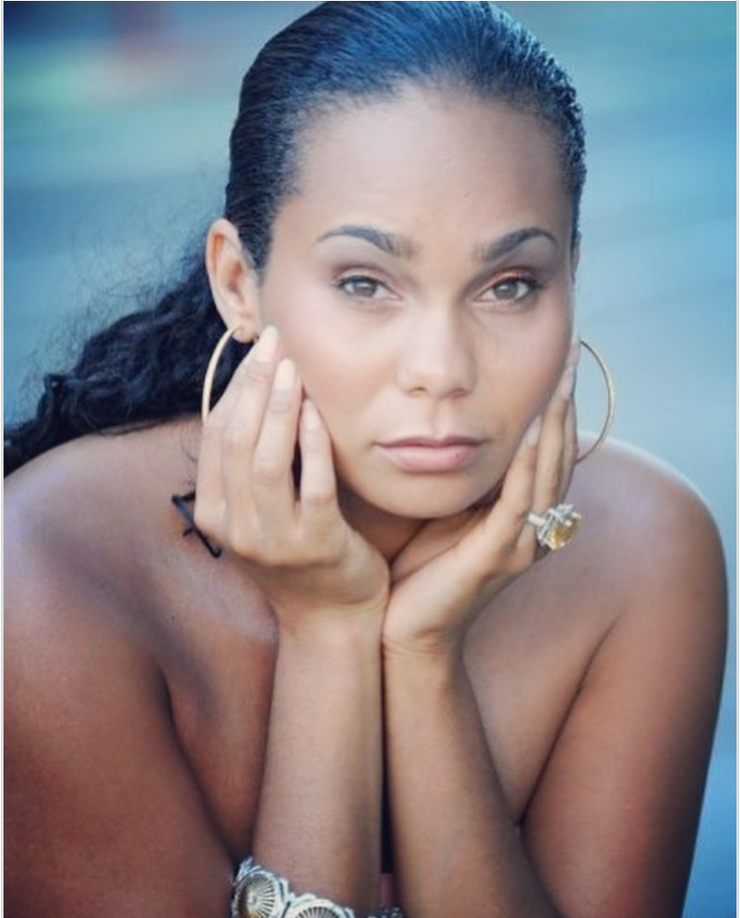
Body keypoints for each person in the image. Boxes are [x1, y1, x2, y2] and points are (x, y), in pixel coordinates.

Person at [4, 3, 727, 917]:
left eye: (509, 286)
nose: (442, 369)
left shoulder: (645, 549)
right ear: (239, 282)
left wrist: (423, 656)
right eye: (364, 283)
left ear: (570, 277)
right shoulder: (46, 572)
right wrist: (329, 631)